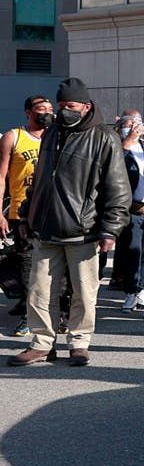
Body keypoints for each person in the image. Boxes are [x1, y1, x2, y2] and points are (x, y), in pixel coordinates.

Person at [8, 78, 130, 368]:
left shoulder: (104, 137)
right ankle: (41, 344)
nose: (63, 112)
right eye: (60, 106)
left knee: (84, 292)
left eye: (70, 106)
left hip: (83, 231)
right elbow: (39, 180)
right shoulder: (51, 134)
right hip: (45, 229)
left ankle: (79, 343)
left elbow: (119, 190)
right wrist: (27, 214)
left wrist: (110, 229)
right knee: (39, 291)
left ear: (86, 107)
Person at [0, 95, 55, 335]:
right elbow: (1, 177)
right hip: (21, 212)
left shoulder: (57, 136)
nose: (46, 113)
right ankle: (28, 314)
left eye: (50, 109)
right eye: (41, 109)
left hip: (53, 211)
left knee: (54, 266)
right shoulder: (14, 137)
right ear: (28, 112)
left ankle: (57, 313)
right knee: (27, 266)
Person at [115, 110, 144, 313]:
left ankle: (140, 290)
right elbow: (110, 167)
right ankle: (131, 292)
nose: (133, 128)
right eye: (128, 124)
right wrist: (126, 143)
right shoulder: (116, 146)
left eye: (136, 124)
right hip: (130, 209)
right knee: (132, 253)